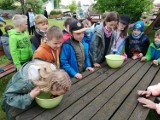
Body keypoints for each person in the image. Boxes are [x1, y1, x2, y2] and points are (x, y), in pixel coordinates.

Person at [1, 59, 71, 120]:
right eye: (57, 94)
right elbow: (8, 98)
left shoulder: (51, 71)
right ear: (51, 86)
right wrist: (29, 96)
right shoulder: (26, 81)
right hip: (12, 105)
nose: (57, 96)